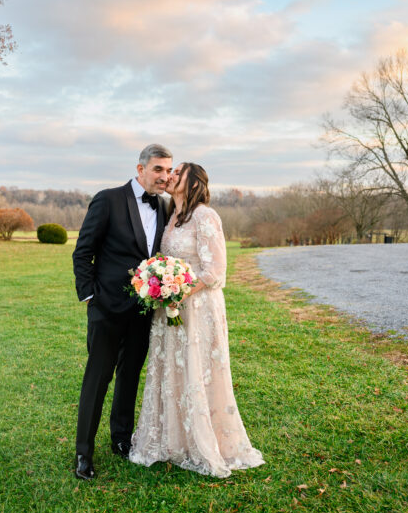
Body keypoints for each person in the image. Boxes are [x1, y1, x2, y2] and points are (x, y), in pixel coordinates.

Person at [129, 163, 264, 478]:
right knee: (173, 370)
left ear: (193, 183)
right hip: (171, 307)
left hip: (197, 306)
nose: (172, 175)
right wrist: (160, 285)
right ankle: (173, 440)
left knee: (196, 369)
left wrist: (178, 289)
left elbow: (215, 270)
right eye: (170, 171)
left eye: (179, 172)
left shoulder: (206, 215)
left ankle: (205, 442)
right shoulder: (172, 217)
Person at [71, 144, 173, 480]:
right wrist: (90, 297)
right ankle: (83, 453)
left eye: (168, 170)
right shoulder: (108, 199)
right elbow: (83, 251)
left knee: (130, 377)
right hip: (106, 309)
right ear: (140, 168)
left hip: (143, 311)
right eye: (158, 169)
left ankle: (120, 439)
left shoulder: (165, 207)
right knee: (97, 379)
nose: (164, 176)